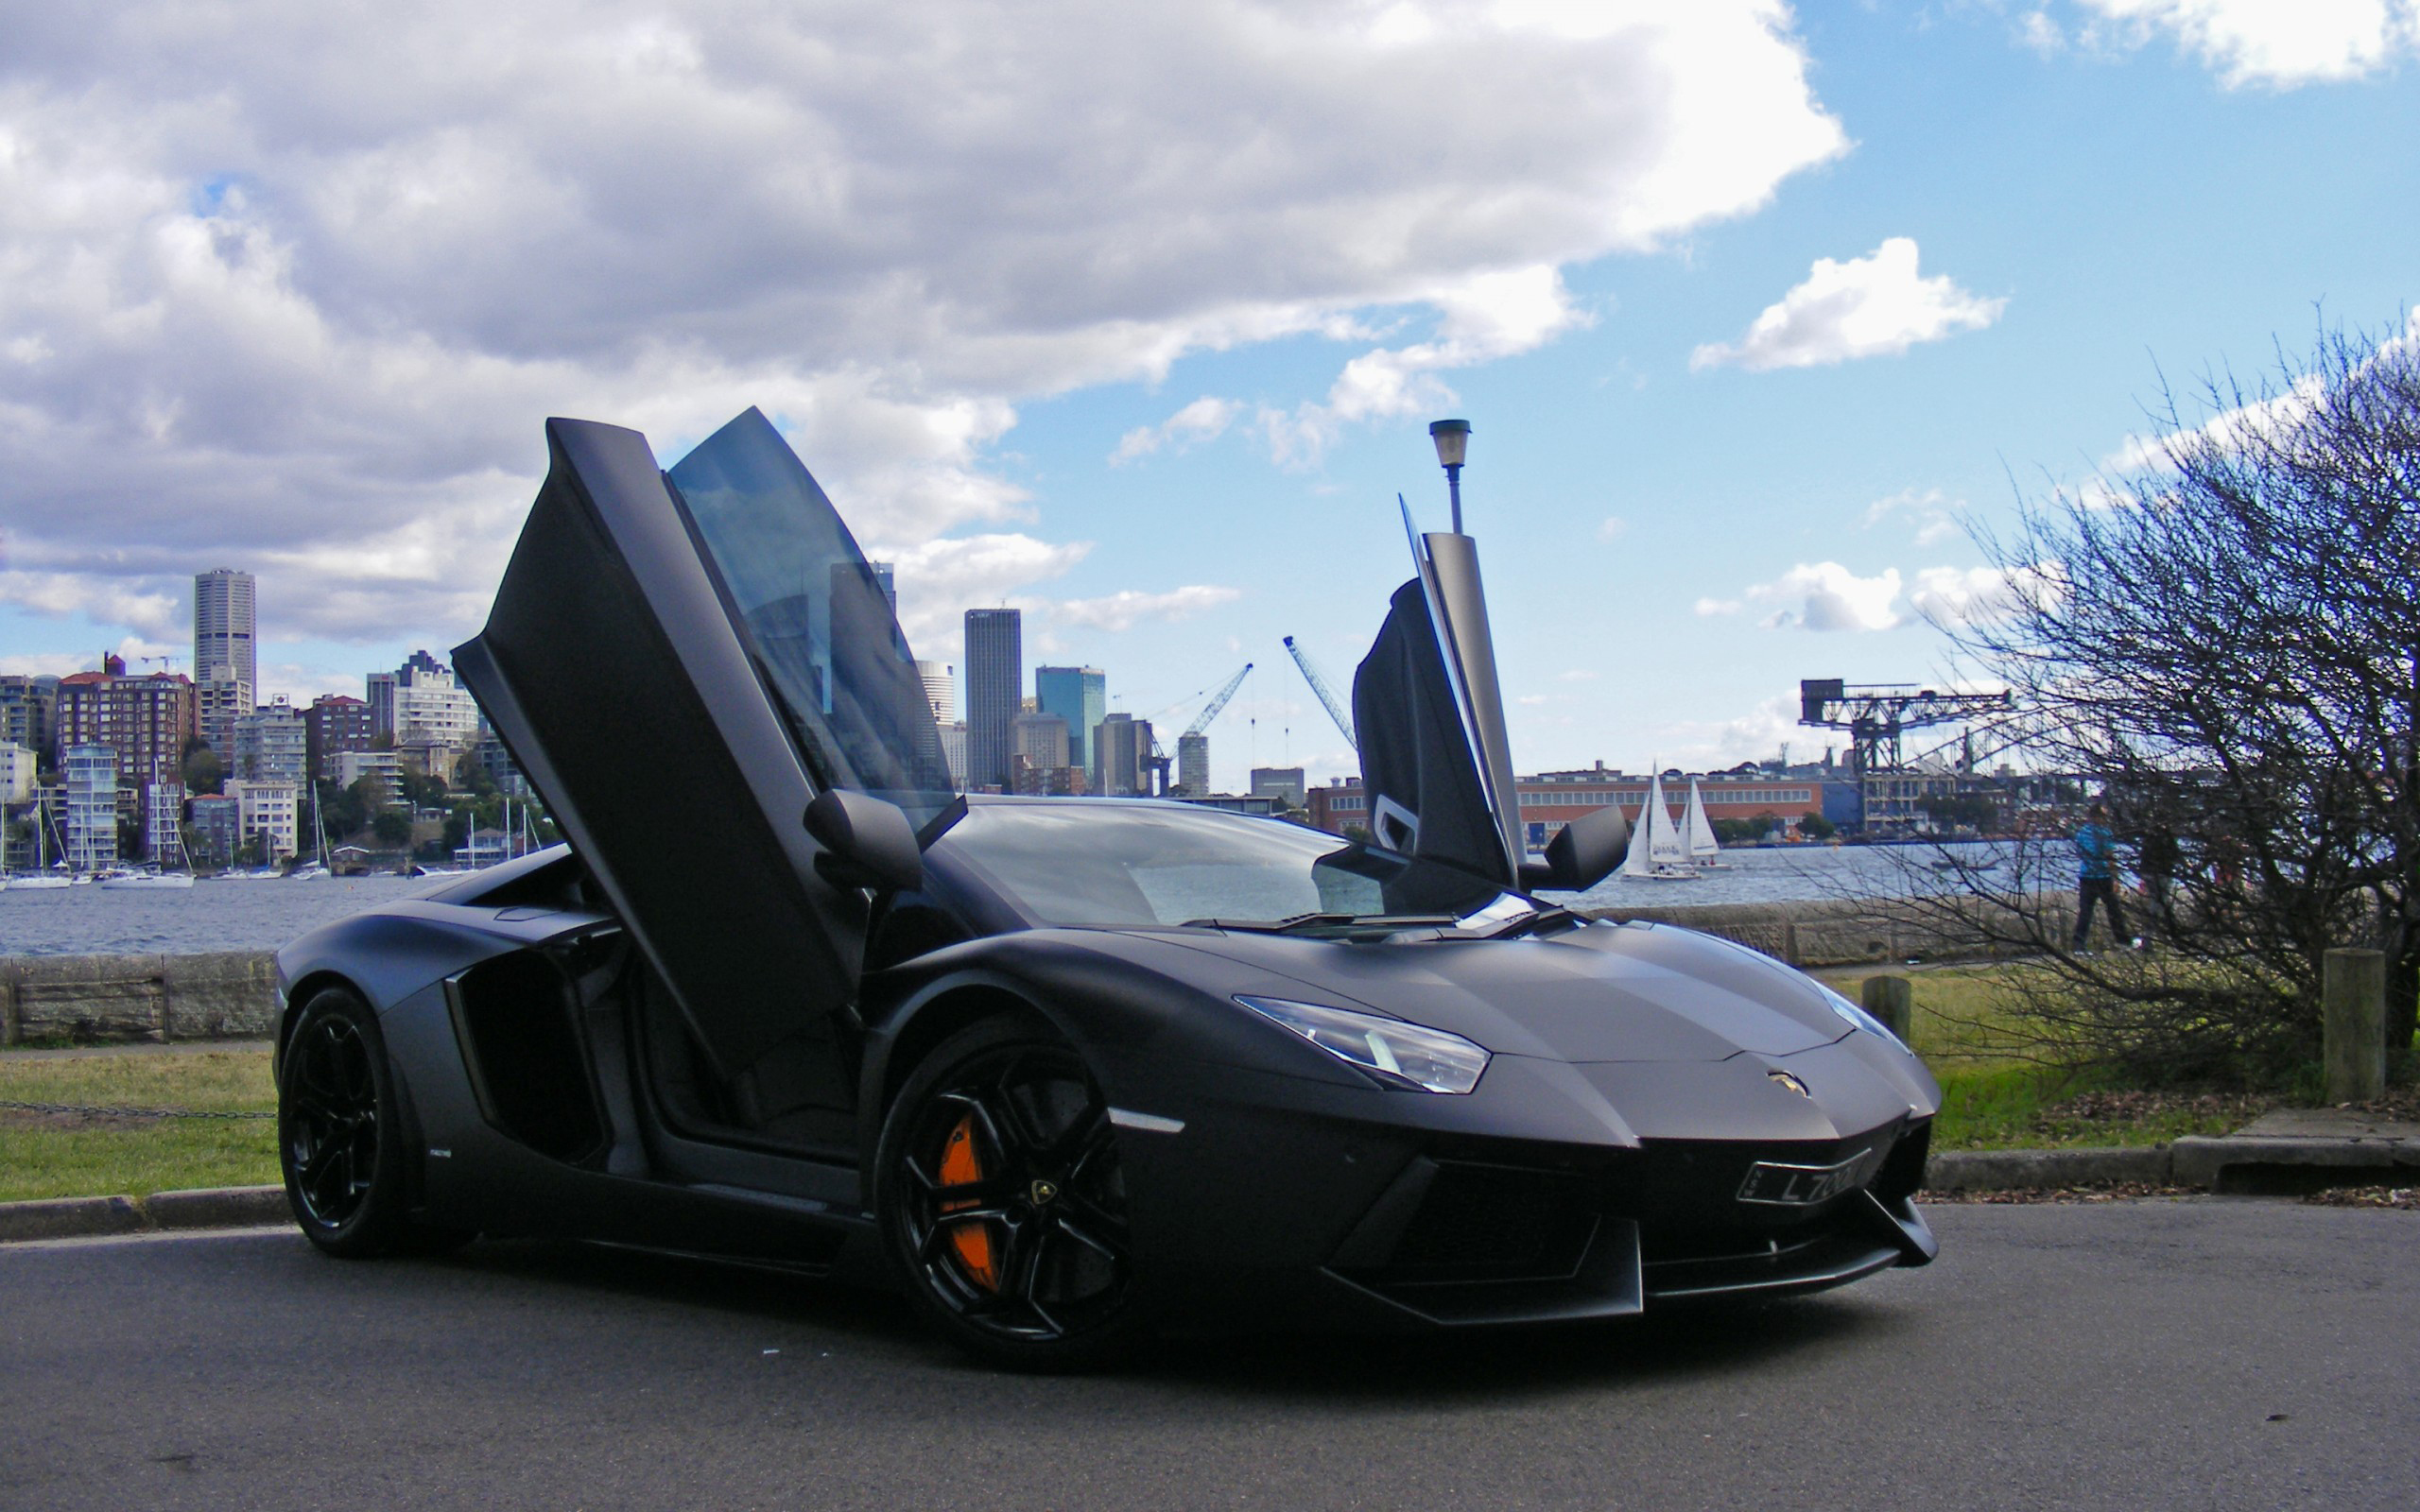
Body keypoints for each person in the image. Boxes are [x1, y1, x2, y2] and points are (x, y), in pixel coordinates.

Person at [2071, 801, 2137, 954]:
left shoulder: (2081, 833)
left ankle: (2079, 944)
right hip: (2103, 876)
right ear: (2097, 816)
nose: (2105, 819)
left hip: (2086, 875)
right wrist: (2116, 878)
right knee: (2113, 910)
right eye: (2104, 816)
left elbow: (2079, 853)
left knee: (2086, 911)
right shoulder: (2104, 833)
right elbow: (2109, 856)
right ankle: (2123, 941)